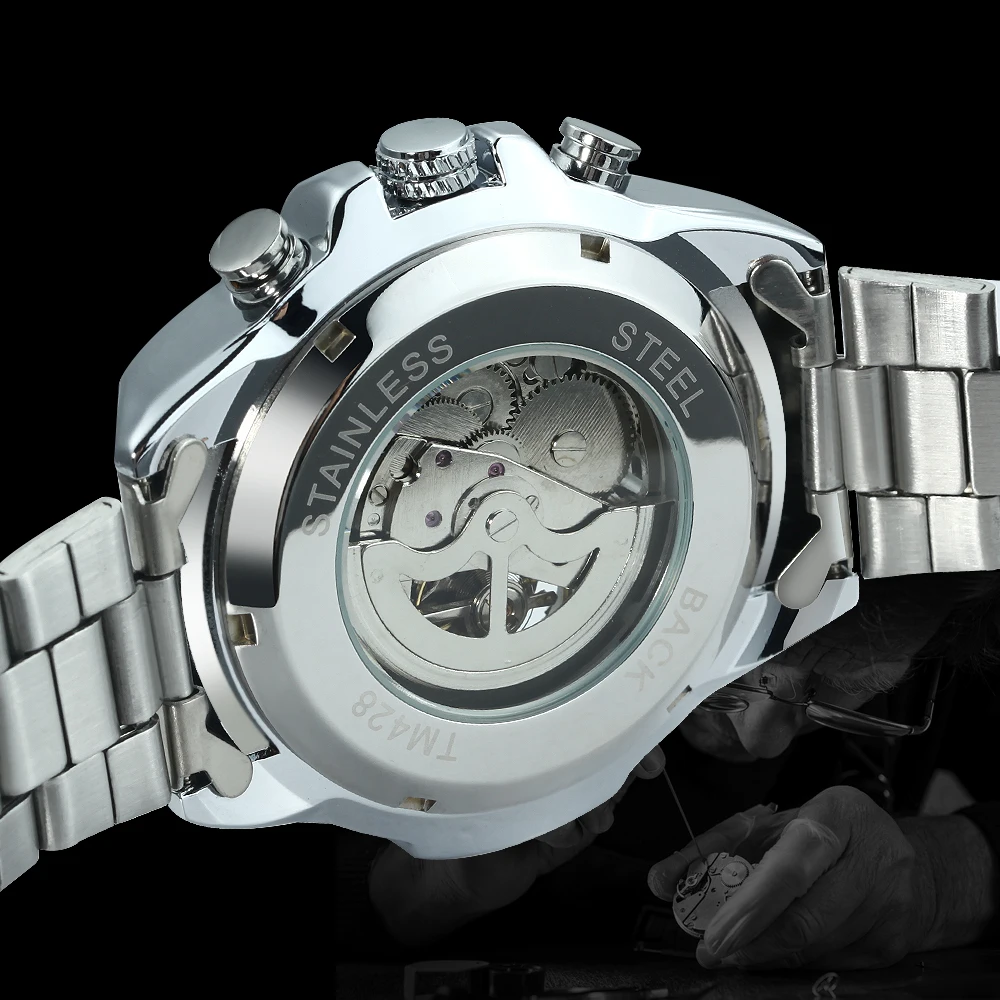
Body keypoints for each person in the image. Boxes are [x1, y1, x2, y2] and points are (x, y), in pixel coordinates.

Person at [334, 571, 1000, 970]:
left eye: (847, 687)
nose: (763, 741)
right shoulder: (424, 619)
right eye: (732, 657)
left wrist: (942, 875)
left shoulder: (949, 601)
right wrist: (425, 888)